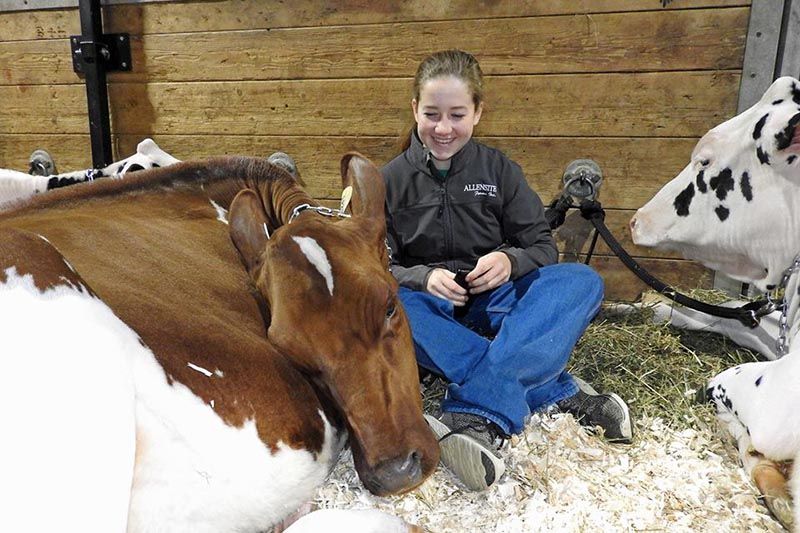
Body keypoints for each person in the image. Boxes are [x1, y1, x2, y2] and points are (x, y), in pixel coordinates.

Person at [382, 50, 633, 492]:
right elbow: (375, 264)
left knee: (581, 282)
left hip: (498, 301)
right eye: (432, 114)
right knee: (385, 303)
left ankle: (474, 410)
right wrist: (421, 277)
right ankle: (551, 390)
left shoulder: (499, 171)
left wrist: (509, 261)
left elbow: (542, 248)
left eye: (457, 115)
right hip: (428, 309)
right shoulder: (388, 180)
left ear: (478, 113)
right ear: (415, 110)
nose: (443, 128)